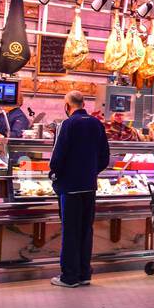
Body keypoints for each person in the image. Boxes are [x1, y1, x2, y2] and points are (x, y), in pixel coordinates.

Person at [49, 90, 110, 288]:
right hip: (89, 187)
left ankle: (69, 276)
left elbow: (57, 156)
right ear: (83, 104)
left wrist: (55, 174)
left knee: (70, 232)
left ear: (67, 106)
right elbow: (105, 157)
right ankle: (84, 273)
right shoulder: (96, 124)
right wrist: (91, 172)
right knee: (86, 230)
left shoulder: (67, 124)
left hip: (70, 187)